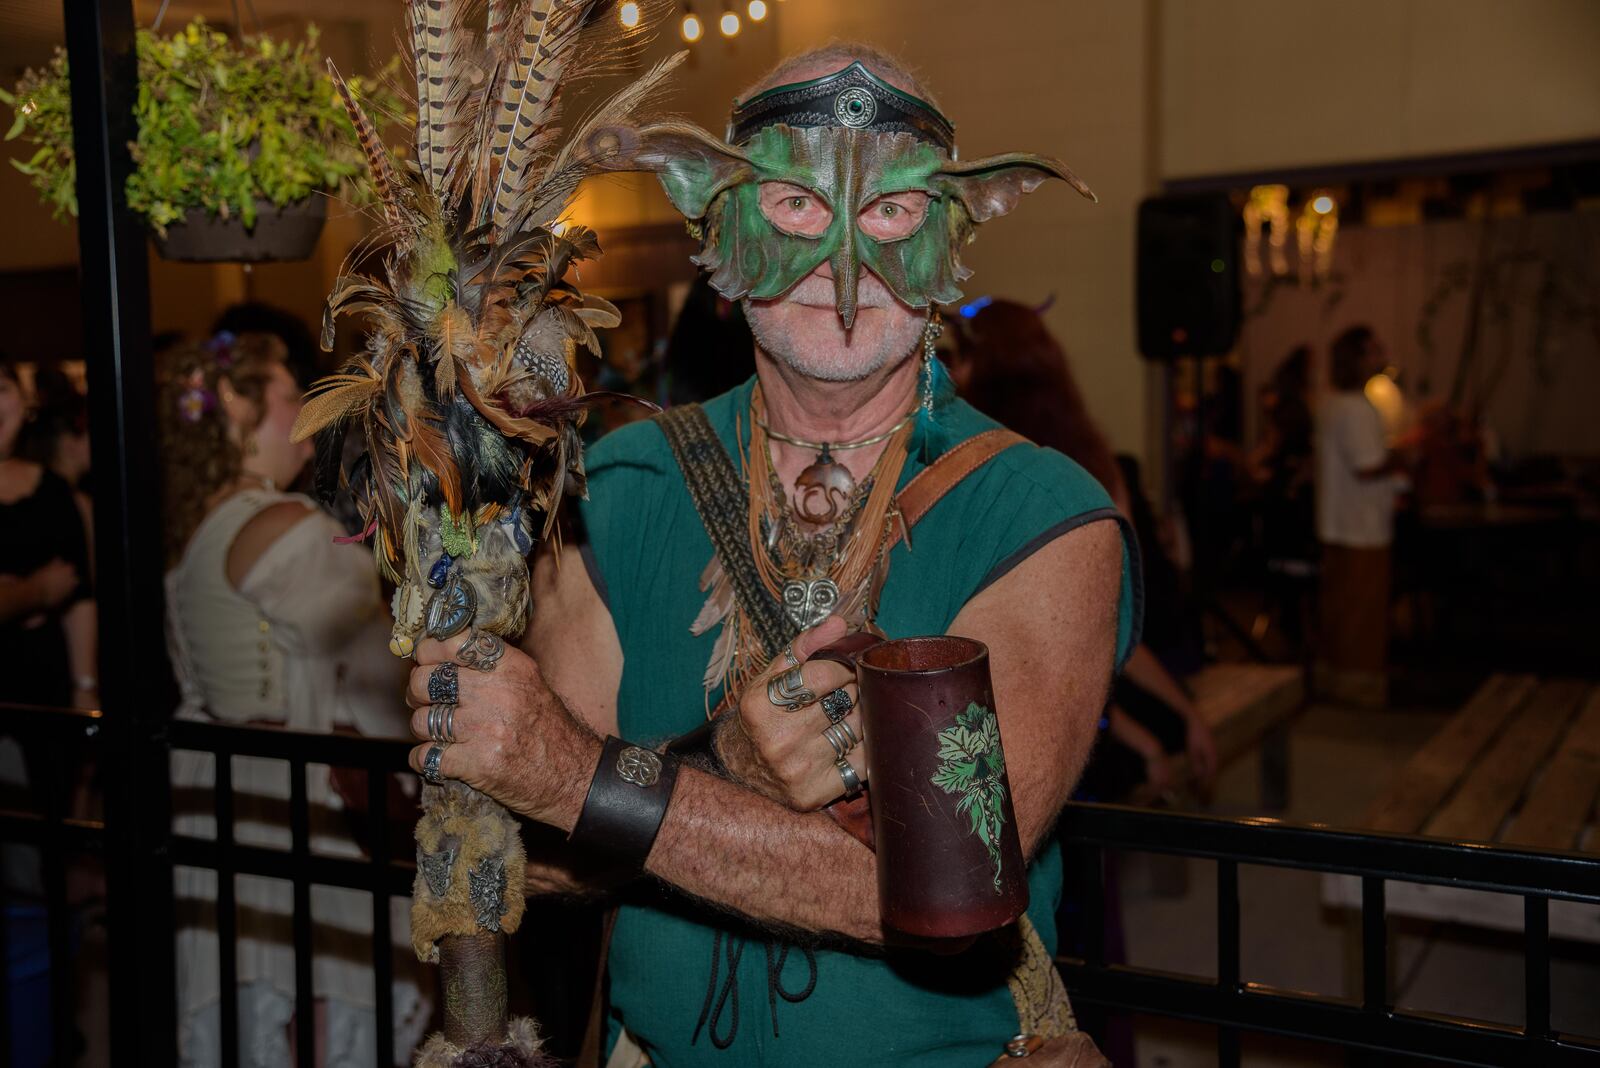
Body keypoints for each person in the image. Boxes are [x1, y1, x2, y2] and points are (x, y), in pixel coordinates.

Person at [399, 46, 1138, 1066]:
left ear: (953, 231)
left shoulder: (1043, 513)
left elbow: (949, 892)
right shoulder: (617, 486)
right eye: (794, 205)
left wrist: (587, 775)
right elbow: (534, 851)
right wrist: (702, 770)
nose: (844, 271)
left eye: (892, 214)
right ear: (716, 223)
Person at [158, 332, 430, 1066]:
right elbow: (380, 676)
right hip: (300, 800)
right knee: (331, 1003)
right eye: (287, 395)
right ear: (239, 407)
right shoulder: (295, 531)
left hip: (217, 794)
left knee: (258, 1003)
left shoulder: (190, 540)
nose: (306, 415)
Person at [952, 299, 1214, 799]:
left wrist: (1166, 724)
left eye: (959, 360)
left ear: (978, 368)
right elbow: (1112, 626)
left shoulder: (978, 470)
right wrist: (1177, 716)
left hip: (1036, 708)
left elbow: (1088, 637)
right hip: (1064, 697)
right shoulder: (1094, 464)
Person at [1315, 325, 1406, 707]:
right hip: (1360, 525)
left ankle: (1338, 679)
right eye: (1372, 351)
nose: (1381, 355)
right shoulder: (1353, 407)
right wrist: (1405, 457)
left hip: (1344, 522)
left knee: (1343, 609)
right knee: (1360, 614)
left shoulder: (1337, 403)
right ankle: (1358, 688)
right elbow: (1367, 466)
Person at [0, 355, 95, 711]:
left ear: (24, 401)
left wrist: (85, 685)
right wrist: (35, 591)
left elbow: (80, 595)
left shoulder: (52, 489)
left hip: (47, 686)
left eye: (2, 388)